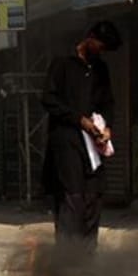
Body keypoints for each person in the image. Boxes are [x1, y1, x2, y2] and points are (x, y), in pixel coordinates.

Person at [41, 21, 121, 254]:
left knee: (93, 197)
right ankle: (68, 261)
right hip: (67, 142)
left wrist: (107, 128)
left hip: (93, 146)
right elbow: (49, 99)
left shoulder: (100, 69)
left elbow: (108, 103)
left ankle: (87, 260)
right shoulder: (62, 63)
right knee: (72, 199)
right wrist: (79, 120)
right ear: (89, 38)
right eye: (100, 45)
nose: (101, 51)